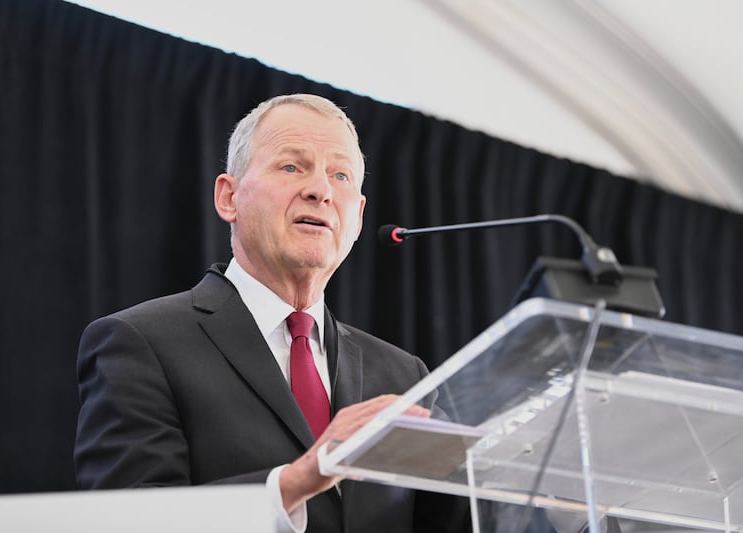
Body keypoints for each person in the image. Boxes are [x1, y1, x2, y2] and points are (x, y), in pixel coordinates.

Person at [74, 94, 470, 532]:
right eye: (292, 166)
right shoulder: (140, 342)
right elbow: (129, 522)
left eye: (340, 175)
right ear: (229, 198)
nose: (320, 190)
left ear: (356, 218)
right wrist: (301, 479)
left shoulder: (403, 376)